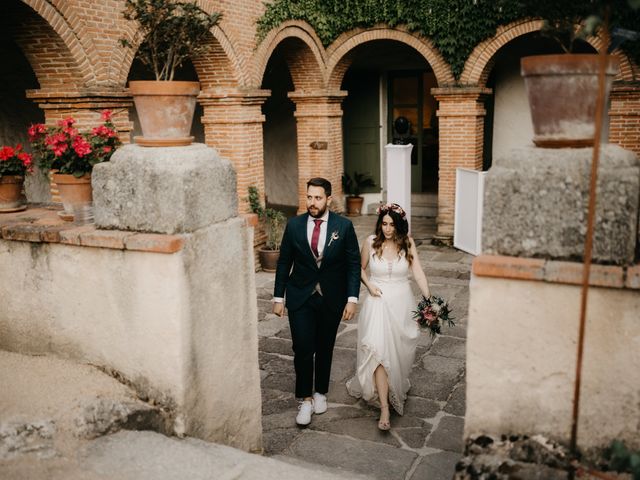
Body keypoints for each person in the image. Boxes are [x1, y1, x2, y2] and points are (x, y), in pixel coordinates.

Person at [273, 177, 361, 426]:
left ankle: (321, 391)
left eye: (318, 198)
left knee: (325, 347)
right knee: (302, 348)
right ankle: (305, 399)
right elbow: (283, 263)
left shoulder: (343, 227)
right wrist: (278, 296)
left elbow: (353, 264)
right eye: (309, 197)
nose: (312, 202)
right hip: (300, 296)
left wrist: (352, 299)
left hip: (331, 297)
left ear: (328, 199)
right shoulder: (294, 225)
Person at [346, 203, 431, 430]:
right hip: (378, 304)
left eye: (392, 224)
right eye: (384, 223)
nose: (387, 229)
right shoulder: (370, 242)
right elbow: (359, 268)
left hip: (402, 305)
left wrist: (430, 300)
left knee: (400, 353)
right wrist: (370, 285)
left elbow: (418, 273)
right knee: (379, 352)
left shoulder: (408, 243)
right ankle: (385, 408)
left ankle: (395, 386)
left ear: (399, 225)